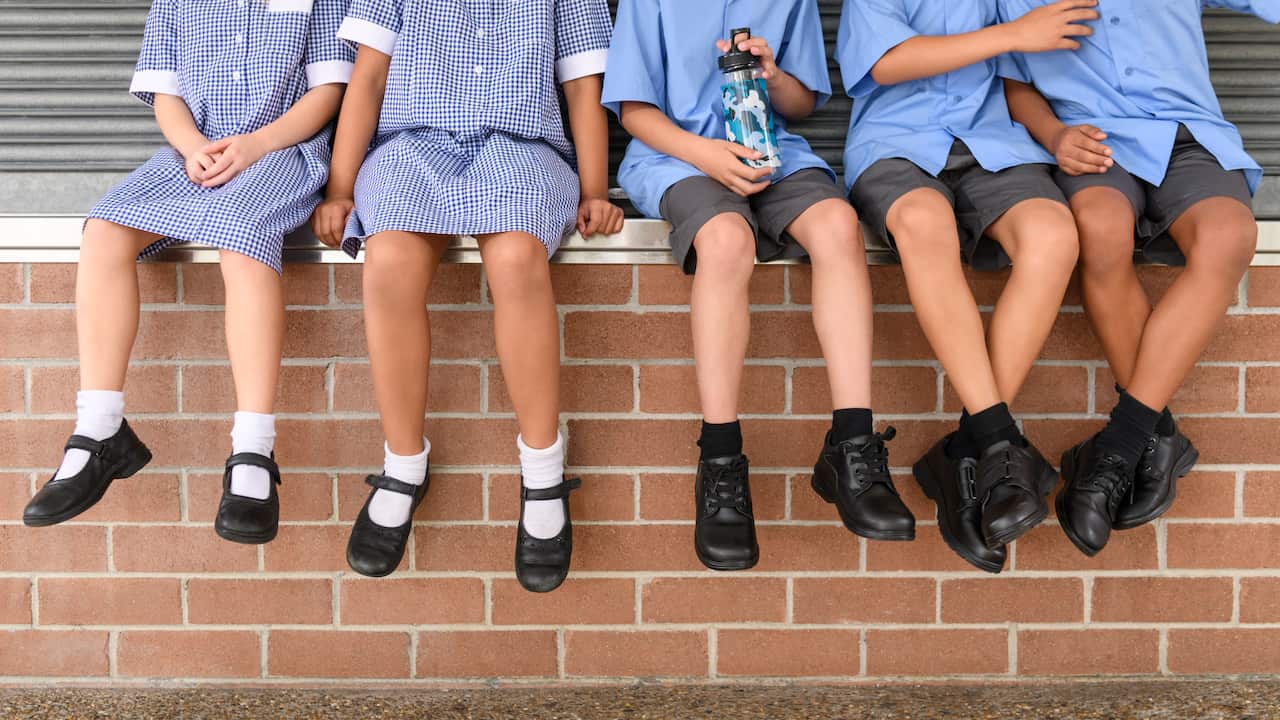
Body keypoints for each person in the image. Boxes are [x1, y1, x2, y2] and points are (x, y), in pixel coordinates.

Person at [312, 0, 622, 591]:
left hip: (521, 151)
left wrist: (594, 189)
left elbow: (583, 88)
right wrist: (341, 188)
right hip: (412, 147)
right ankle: (403, 464)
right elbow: (368, 77)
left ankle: (542, 471)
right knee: (389, 261)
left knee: (516, 258)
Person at [22, 0, 353, 547]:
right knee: (103, 230)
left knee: (241, 237)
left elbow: (328, 92)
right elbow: (167, 91)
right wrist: (194, 146)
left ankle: (253, 447)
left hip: (279, 152)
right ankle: (100, 427)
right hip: (192, 153)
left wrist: (255, 144)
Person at [604, 0, 916, 573]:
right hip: (678, 157)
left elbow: (802, 103)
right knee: (726, 242)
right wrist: (705, 154)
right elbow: (633, 110)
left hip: (772, 154)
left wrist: (773, 75)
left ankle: (852, 445)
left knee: (838, 225)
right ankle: (720, 460)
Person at [1000, 0, 1274, 556]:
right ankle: (1153, 436)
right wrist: (1054, 135)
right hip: (1090, 142)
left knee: (1229, 235)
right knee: (1100, 230)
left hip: (1187, 136)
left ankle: (1120, 448)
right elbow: (1008, 77)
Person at [838, 0, 1095, 572]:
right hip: (897, 144)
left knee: (1054, 235)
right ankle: (998, 443)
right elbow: (887, 62)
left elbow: (1019, 74)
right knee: (925, 225)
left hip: (994, 144)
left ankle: (966, 452)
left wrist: (1054, 135)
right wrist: (1011, 33)